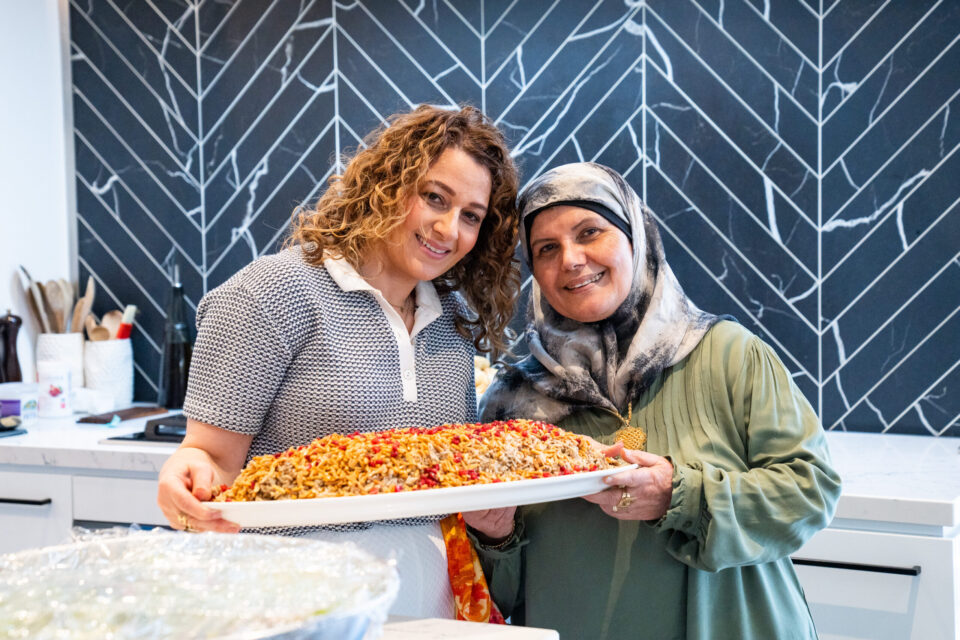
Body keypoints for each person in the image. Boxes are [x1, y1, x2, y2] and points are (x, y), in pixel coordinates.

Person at [156, 105, 521, 619]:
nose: (447, 228)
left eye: (471, 216)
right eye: (434, 197)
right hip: (297, 606)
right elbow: (210, 458)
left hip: (429, 608)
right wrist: (186, 479)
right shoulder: (270, 295)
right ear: (387, 184)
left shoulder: (453, 322)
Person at [465, 162, 841, 639]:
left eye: (590, 232)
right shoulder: (511, 405)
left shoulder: (728, 354)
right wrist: (494, 537)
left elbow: (811, 493)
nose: (572, 259)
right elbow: (500, 598)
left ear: (635, 237)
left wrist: (676, 495)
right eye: (547, 249)